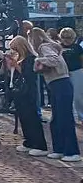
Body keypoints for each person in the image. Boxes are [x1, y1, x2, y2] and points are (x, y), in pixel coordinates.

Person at [30, 27, 81, 161]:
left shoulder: (44, 47)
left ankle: (72, 152)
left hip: (60, 82)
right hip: (57, 83)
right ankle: (60, 149)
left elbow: (54, 60)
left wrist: (38, 61)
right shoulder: (50, 46)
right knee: (57, 118)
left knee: (65, 118)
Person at [3, 36, 47, 156]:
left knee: (32, 118)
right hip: (19, 92)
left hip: (28, 92)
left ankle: (39, 145)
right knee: (24, 118)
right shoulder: (20, 58)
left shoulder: (31, 59)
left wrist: (16, 65)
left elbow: (28, 75)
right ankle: (29, 141)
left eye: (15, 48)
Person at [59, 27, 83, 128]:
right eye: (63, 37)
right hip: (62, 73)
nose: (66, 40)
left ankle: (81, 116)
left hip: (76, 71)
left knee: (78, 95)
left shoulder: (77, 47)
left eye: (68, 37)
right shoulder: (58, 47)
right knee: (66, 96)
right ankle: (69, 116)